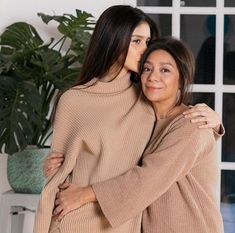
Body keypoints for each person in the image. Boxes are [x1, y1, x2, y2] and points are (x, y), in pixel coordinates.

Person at [35, 5, 223, 233]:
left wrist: (214, 122)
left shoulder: (147, 100)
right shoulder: (74, 100)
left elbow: (152, 173)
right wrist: (52, 165)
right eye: (137, 41)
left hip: (122, 222)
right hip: (75, 219)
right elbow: (58, 172)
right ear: (113, 40)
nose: (144, 50)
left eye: (147, 41)